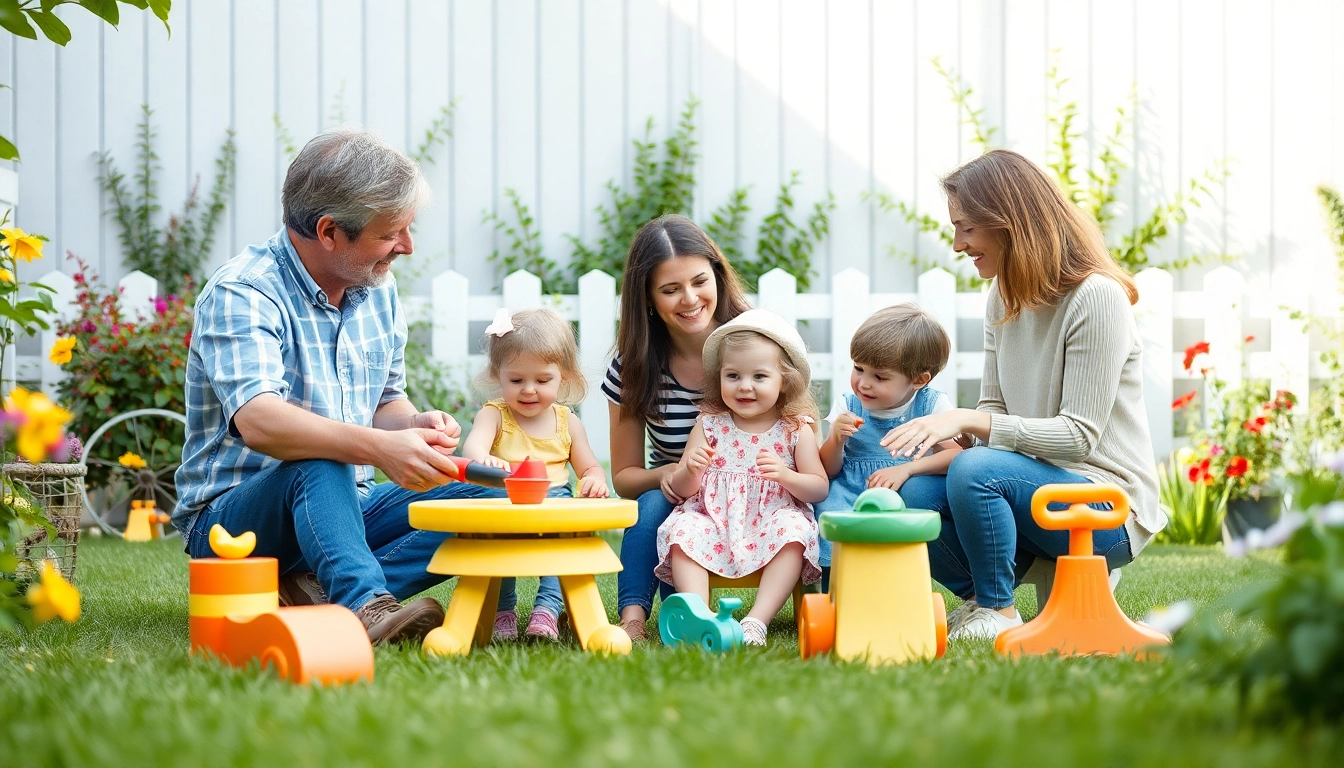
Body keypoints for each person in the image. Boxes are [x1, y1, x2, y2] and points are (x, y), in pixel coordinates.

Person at [174, 128, 502, 646]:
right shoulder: (244, 291)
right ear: (329, 232)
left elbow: (386, 401)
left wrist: (413, 426)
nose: (408, 247)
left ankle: (312, 596)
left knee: (497, 499)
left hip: (345, 511)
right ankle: (364, 605)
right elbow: (260, 421)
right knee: (318, 456)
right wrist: (379, 448)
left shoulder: (376, 285)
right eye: (392, 232)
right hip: (234, 528)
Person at [879, 149, 1165, 641]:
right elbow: (994, 412)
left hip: (1106, 507)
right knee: (907, 497)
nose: (956, 244)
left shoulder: (1096, 297)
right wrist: (930, 449)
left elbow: (1078, 438)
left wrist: (968, 425)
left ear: (1008, 220)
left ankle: (1000, 611)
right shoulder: (1004, 295)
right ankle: (980, 598)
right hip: (1031, 491)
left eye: (966, 228)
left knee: (976, 469)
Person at [603, 214, 752, 642]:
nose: (690, 299)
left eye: (699, 281)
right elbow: (626, 478)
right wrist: (667, 474)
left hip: (755, 490)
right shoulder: (632, 367)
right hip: (679, 499)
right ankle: (632, 621)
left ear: (718, 277)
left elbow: (798, 434)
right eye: (670, 290)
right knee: (650, 505)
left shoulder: (756, 341)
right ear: (648, 299)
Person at [654, 309, 825, 647]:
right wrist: (690, 471)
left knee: (794, 530)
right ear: (719, 378)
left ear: (784, 381)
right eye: (733, 376)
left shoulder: (794, 429)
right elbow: (683, 491)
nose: (745, 386)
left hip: (770, 520)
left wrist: (786, 475)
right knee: (683, 530)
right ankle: (699, 618)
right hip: (714, 520)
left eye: (759, 377)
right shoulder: (710, 424)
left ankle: (756, 621)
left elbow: (818, 487)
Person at [459, 307, 609, 642]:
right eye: (516, 380)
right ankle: (503, 611)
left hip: (554, 505)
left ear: (563, 377)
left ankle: (547, 608)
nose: (529, 390)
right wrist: (486, 461)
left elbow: (590, 467)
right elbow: (472, 451)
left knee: (562, 551)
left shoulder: (567, 422)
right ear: (498, 376)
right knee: (498, 556)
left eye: (542, 381)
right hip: (504, 504)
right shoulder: (494, 415)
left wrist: (595, 479)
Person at [815, 304, 961, 588]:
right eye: (858, 368)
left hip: (905, 487)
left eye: (879, 377)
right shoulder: (849, 404)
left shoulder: (931, 405)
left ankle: (899, 588)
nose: (863, 384)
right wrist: (836, 439)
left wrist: (907, 469)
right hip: (852, 489)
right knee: (830, 508)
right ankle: (835, 590)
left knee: (901, 527)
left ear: (919, 379)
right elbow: (830, 469)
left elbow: (956, 455)